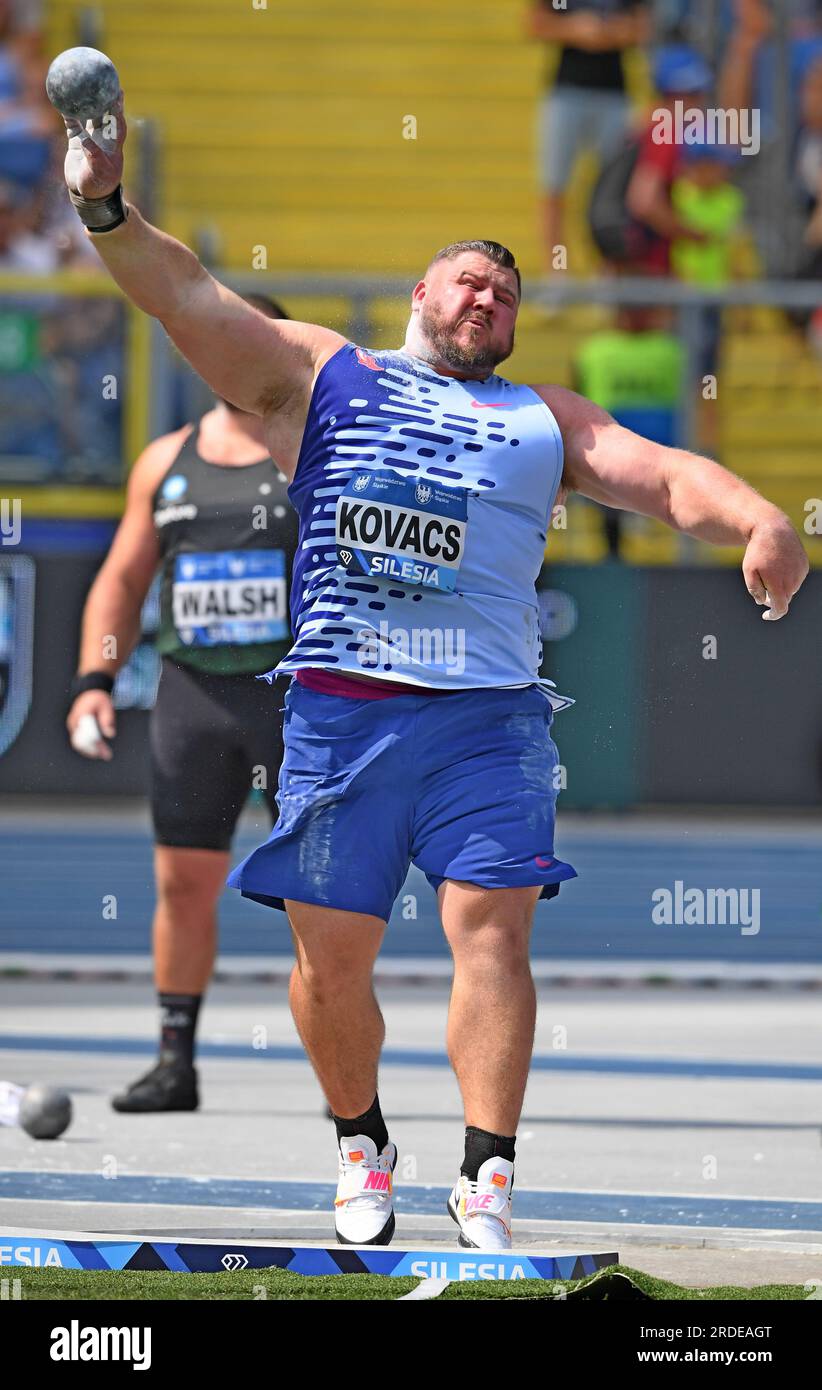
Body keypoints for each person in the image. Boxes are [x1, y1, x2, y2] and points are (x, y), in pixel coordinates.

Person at [58, 87, 808, 1249]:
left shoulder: (540, 419)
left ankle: (487, 1176)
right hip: (342, 713)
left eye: (507, 290)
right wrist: (105, 205)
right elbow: (191, 298)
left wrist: (760, 515)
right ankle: (363, 1142)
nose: (489, 294)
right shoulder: (328, 375)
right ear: (421, 294)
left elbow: (661, 476)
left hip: (487, 721)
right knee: (327, 961)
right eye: (469, 279)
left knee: (493, 931)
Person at [66, 293, 299, 1113]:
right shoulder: (165, 461)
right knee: (182, 885)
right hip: (192, 699)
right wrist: (95, 681)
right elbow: (123, 582)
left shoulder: (316, 454)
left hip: (294, 702)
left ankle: (340, 1063)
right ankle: (174, 1061)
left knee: (316, 892)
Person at [526, 0, 649, 271]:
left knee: (613, 191)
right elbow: (534, 24)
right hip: (566, 92)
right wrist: (575, 29)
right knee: (554, 188)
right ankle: (556, 276)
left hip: (615, 95)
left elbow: (643, 29)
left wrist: (607, 34)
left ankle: (608, 273)